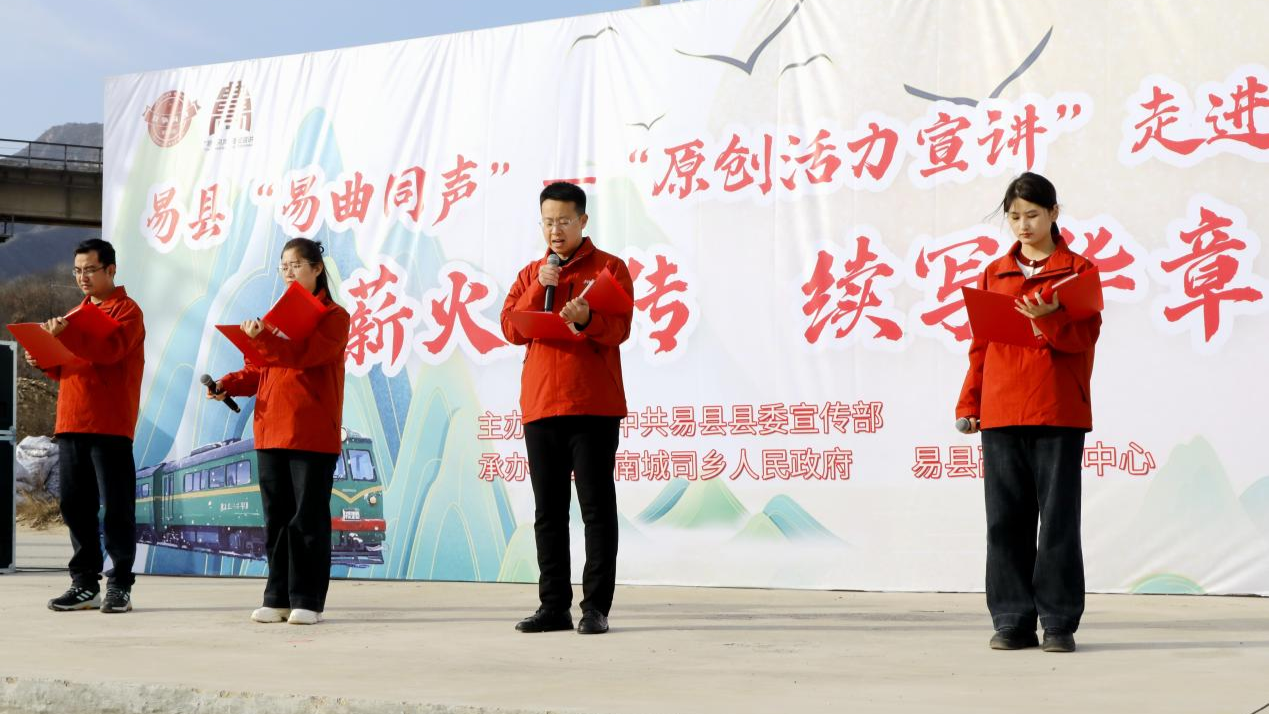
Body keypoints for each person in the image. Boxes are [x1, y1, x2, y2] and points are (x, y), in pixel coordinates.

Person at [956, 172, 1101, 653]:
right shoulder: (995, 273)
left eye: (1033, 215)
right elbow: (981, 345)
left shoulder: (1078, 270)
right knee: (1005, 521)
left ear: (1054, 213)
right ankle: (1012, 620)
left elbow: (1085, 337)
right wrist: (970, 403)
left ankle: (1058, 623)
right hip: (1001, 409)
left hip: (1058, 408)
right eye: (1015, 216)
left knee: (1058, 522)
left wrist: (1050, 319)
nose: (1023, 225)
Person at [499, 182, 634, 635]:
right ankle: (553, 606)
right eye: (548, 222)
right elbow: (511, 328)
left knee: (596, 510)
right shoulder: (531, 274)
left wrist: (587, 318)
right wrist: (540, 286)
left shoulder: (609, 268)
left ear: (583, 221)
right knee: (549, 512)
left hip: (592, 404)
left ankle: (595, 607)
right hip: (541, 405)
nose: (555, 230)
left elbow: (620, 328)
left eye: (564, 221)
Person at [210, 238, 350, 626]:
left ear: (317, 269)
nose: (288, 272)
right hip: (271, 429)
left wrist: (264, 339)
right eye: (283, 266)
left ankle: (307, 599)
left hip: (310, 431)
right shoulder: (272, 321)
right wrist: (227, 384)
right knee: (276, 519)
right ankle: (277, 597)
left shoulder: (334, 317)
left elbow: (304, 356)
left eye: (296, 265)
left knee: (307, 519)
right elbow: (259, 369)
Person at [26, 239, 146, 614]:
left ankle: (120, 584)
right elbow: (68, 365)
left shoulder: (127, 311)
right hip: (71, 420)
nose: (83, 277)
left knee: (116, 507)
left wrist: (65, 336)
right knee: (75, 506)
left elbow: (109, 352)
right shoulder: (75, 313)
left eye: (90, 270)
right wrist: (43, 357)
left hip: (109, 423)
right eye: (77, 271)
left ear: (111, 269)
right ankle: (84, 583)